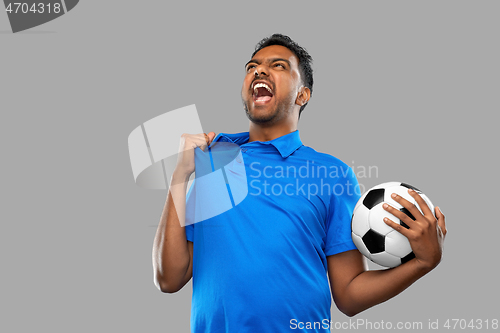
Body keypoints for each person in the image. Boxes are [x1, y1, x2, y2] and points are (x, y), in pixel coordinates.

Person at [152, 34, 447, 332]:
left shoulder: (333, 174)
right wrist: (180, 175)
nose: (259, 70)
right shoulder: (214, 163)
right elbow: (169, 279)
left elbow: (349, 295)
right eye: (251, 66)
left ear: (303, 95)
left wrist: (421, 263)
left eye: (278, 65)